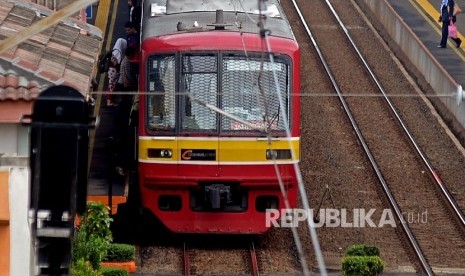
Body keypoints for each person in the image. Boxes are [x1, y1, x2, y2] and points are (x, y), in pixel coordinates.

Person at [106, 38, 127, 106]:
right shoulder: (117, 52)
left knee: (112, 84)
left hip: (111, 70)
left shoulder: (115, 50)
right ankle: (108, 101)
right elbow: (116, 63)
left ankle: (111, 99)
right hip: (113, 71)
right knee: (111, 85)